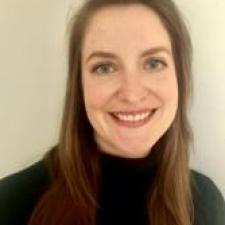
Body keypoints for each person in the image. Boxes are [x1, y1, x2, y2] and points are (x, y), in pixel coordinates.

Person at [0, 0, 225, 225]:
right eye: (105, 67)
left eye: (154, 63)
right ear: (79, 86)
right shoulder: (10, 203)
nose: (132, 93)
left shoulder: (207, 202)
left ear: (180, 77)